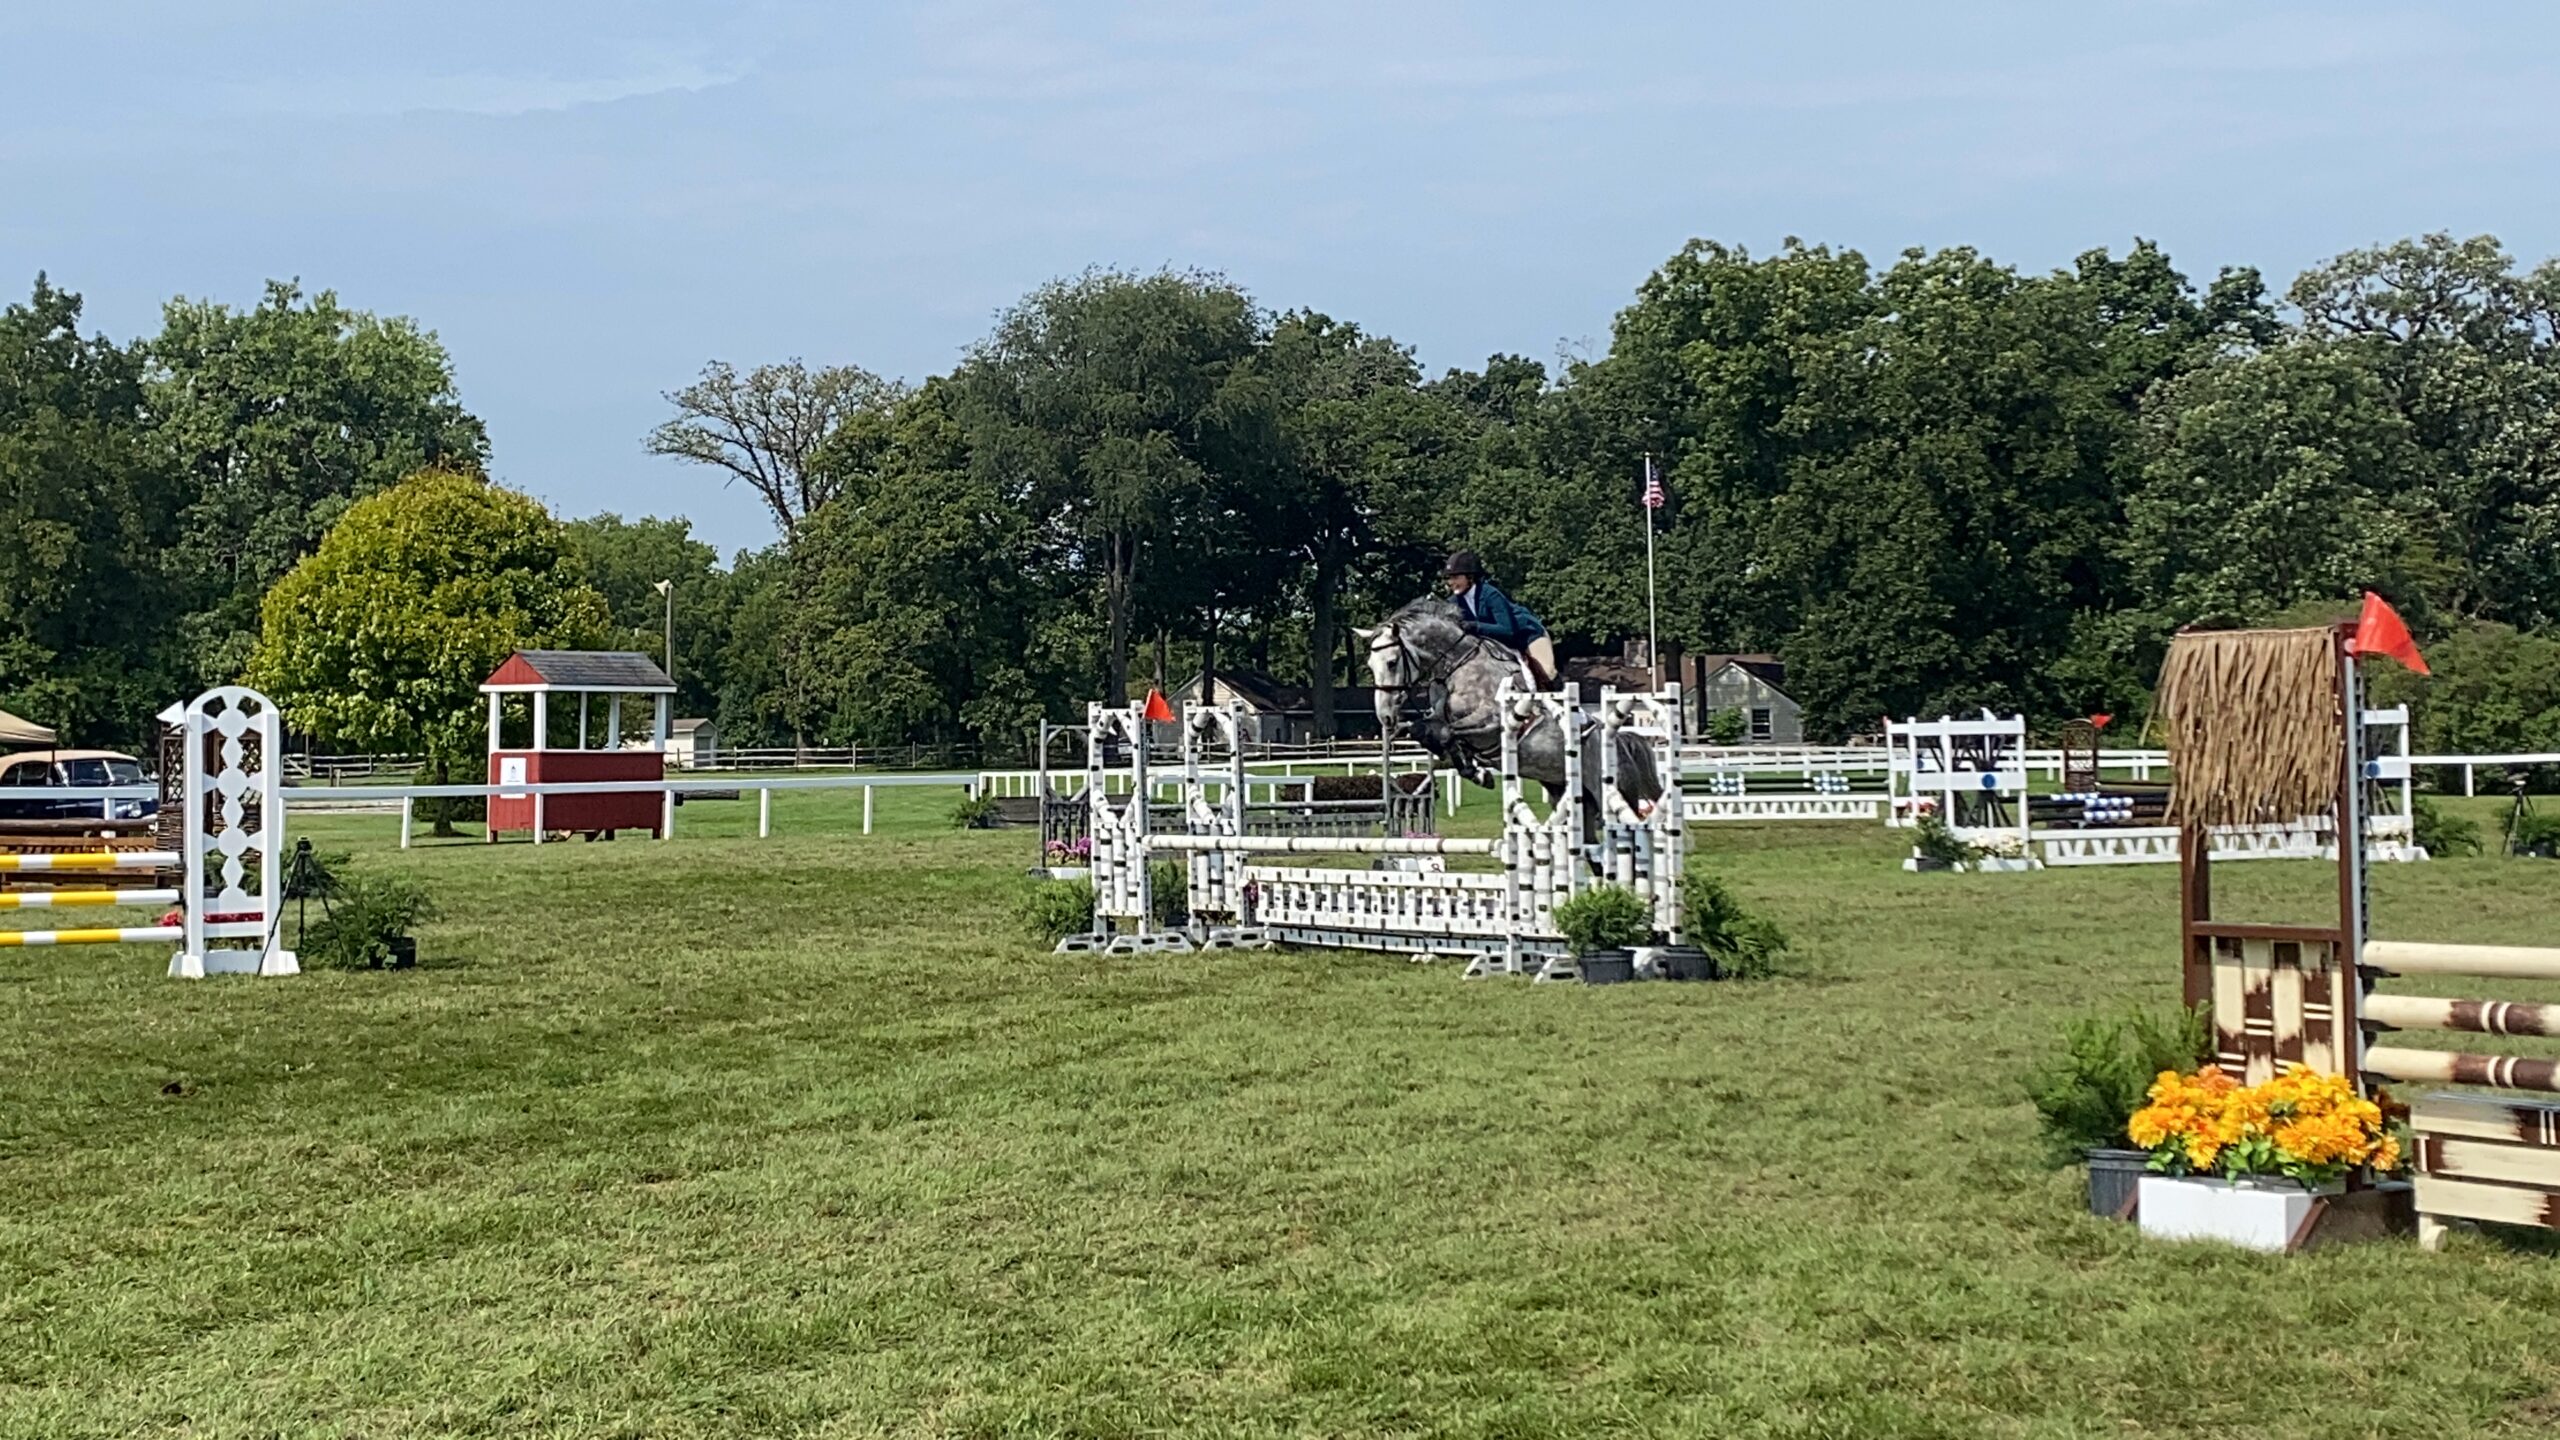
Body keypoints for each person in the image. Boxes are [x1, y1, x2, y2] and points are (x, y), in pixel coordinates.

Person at [1441, 550, 1557, 687]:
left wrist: (1475, 626)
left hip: (1526, 636)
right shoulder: (1454, 602)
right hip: (1499, 646)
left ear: (1470, 577)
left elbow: (1507, 630)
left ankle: (1567, 705)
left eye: (1455, 577)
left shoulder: (1490, 594)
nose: (1451, 582)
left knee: (1547, 672)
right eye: (1449, 578)